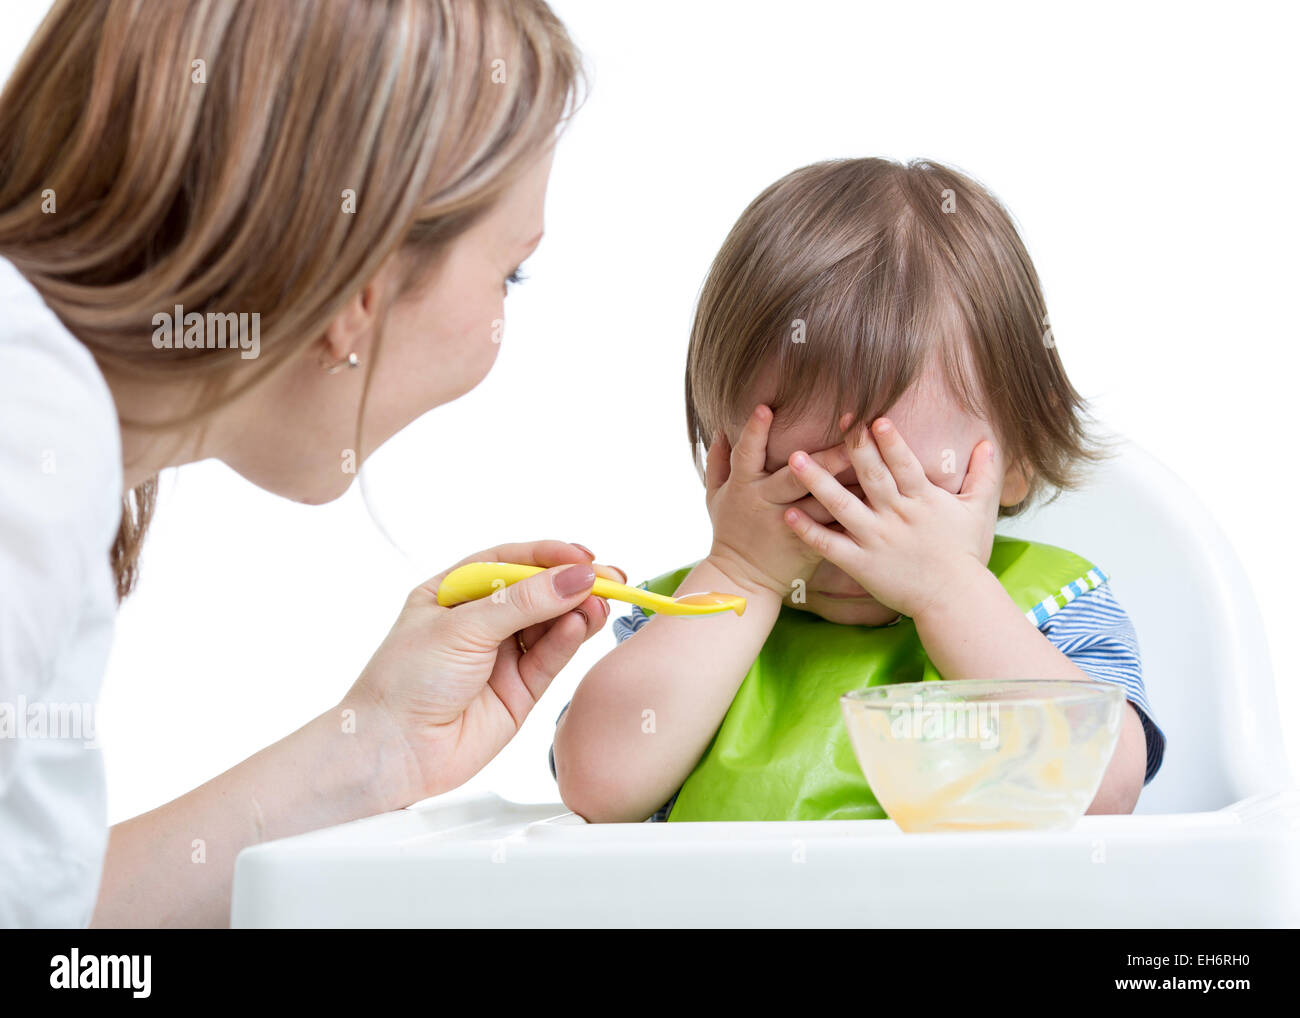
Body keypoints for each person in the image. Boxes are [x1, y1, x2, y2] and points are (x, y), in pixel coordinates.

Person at [0, 0, 616, 928]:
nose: (499, 331)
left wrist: (375, 750)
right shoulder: (29, 441)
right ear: (355, 291)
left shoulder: (49, 428)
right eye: (509, 273)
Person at [551, 157, 1167, 823]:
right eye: (798, 484)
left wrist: (948, 589)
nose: (848, 535)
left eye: (897, 491)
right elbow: (597, 787)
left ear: (1016, 458)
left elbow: (1102, 791)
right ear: (722, 462)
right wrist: (745, 574)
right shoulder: (689, 617)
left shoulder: (1051, 609)